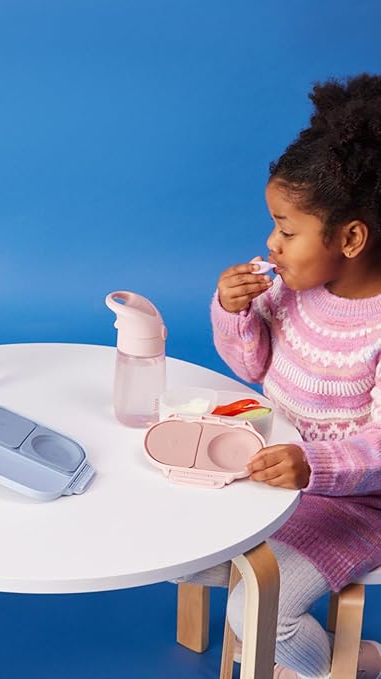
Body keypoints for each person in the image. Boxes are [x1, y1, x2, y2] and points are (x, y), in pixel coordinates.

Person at [182, 73, 381, 679]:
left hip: (356, 503)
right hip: (276, 474)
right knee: (172, 551)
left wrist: (311, 466)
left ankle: (347, 667)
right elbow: (251, 366)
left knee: (256, 612)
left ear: (350, 237)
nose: (272, 243)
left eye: (288, 231)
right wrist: (234, 311)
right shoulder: (295, 290)